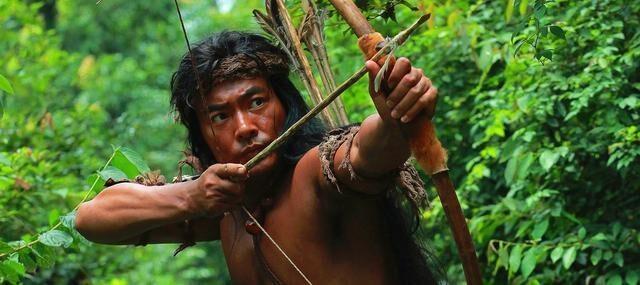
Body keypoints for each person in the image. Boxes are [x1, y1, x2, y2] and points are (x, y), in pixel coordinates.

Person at [75, 31, 442, 284]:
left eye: (257, 102)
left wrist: (396, 120)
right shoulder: (227, 207)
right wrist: (191, 197)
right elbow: (91, 219)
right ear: (201, 134)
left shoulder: (316, 173)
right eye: (219, 116)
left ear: (285, 105)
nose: (245, 127)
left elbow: (366, 151)